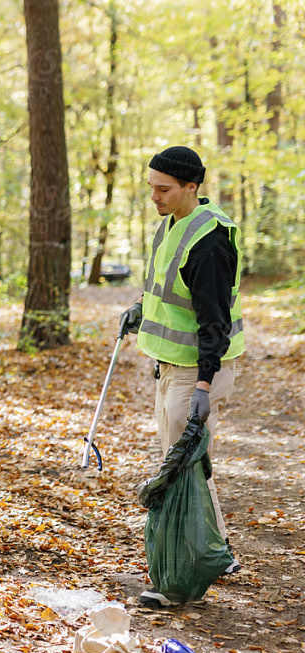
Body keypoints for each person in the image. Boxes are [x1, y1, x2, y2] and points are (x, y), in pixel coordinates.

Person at [118, 146, 245, 608]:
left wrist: (204, 386)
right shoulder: (170, 224)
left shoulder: (210, 242)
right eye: (151, 186)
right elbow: (166, 288)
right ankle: (217, 551)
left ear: (192, 187)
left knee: (178, 469)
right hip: (172, 366)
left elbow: (213, 319)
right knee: (192, 462)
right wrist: (139, 308)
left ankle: (179, 573)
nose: (154, 196)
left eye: (164, 189)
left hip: (196, 370)